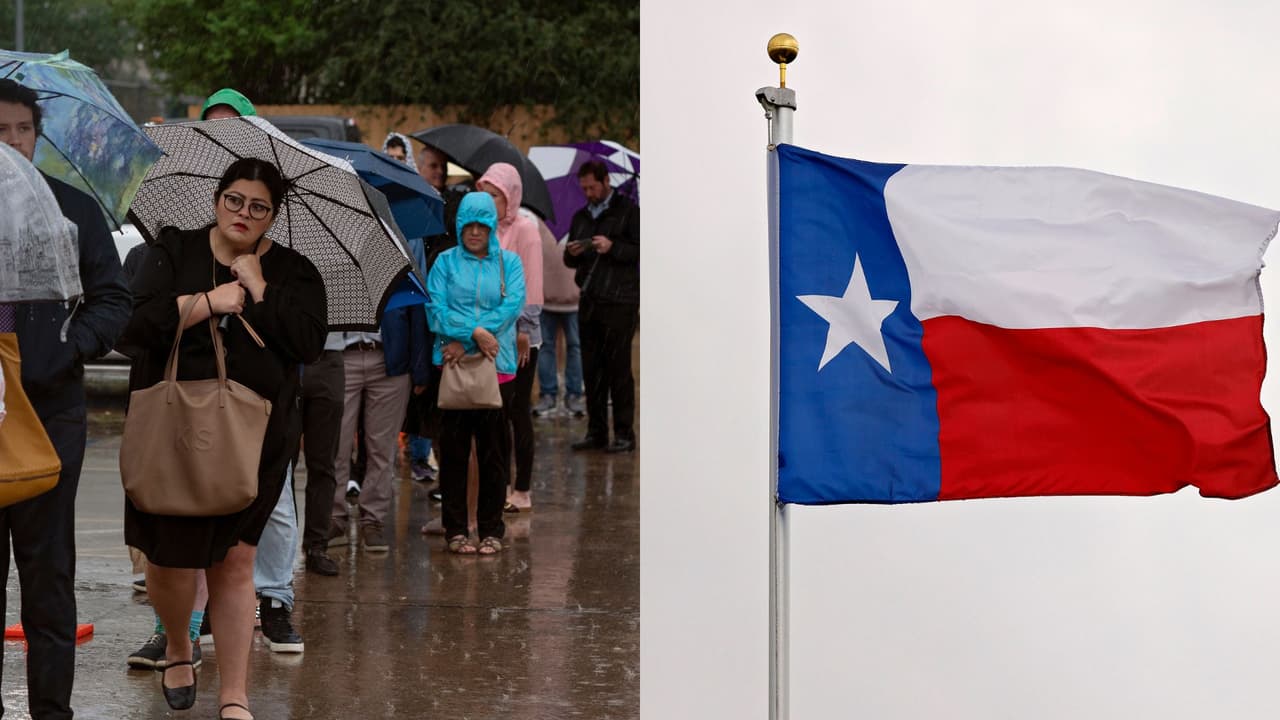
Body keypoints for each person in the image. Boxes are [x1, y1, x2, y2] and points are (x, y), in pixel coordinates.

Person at [120, 157, 326, 719]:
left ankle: (234, 694)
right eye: (234, 200)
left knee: (236, 561)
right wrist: (209, 303)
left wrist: (260, 289)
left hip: (254, 437)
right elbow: (134, 328)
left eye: (258, 207)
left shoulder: (295, 270)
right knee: (165, 559)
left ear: (273, 216)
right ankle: (181, 648)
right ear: (217, 198)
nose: (243, 214)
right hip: (172, 431)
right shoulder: (171, 252)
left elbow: (307, 344)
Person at [0, 78, 132, 720]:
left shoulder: (72, 211)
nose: (12, 142)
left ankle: (52, 710)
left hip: (51, 412)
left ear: (37, 135)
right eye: (0, 131)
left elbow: (113, 300)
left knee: (48, 570)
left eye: (22, 130)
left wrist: (65, 346)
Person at [427, 191, 525, 554]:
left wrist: (467, 339)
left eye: (480, 224)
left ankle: (491, 530)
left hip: (498, 372)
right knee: (452, 454)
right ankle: (455, 529)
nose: (473, 231)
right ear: (458, 225)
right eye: (467, 224)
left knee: (494, 456)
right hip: (453, 372)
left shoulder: (509, 264)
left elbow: (511, 307)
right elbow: (435, 310)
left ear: (491, 226)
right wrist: (474, 334)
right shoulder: (445, 263)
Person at [476, 163, 543, 511]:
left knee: (518, 412)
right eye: (483, 194)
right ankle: (498, 484)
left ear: (510, 197)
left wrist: (524, 331)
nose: (487, 202)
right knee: (495, 413)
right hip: (492, 335)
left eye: (494, 196)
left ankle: (522, 488)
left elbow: (531, 286)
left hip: (520, 336)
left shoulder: (526, 230)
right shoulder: (484, 230)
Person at [564, 159, 640, 454]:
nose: (588, 193)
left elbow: (642, 251)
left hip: (620, 301)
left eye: (592, 187)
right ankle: (596, 432)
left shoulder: (629, 211)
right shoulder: (580, 216)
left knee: (618, 369)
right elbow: (571, 262)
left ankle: (624, 434)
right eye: (584, 188)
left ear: (606, 181)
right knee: (591, 370)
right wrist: (573, 253)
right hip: (590, 299)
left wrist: (613, 247)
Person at [533, 212, 585, 418]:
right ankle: (548, 393)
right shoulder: (535, 221)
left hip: (575, 299)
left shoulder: (581, 218)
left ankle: (574, 393)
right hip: (545, 298)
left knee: (576, 347)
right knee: (545, 346)